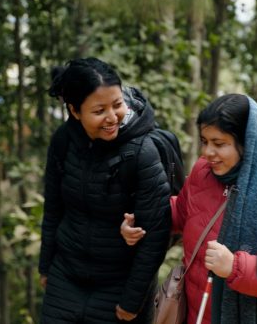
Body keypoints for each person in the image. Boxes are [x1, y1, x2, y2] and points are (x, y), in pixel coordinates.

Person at [122, 94, 257, 323]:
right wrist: (139, 219)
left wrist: (235, 267)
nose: (207, 152)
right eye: (204, 141)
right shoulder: (203, 171)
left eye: (219, 144)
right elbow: (179, 213)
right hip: (195, 313)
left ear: (248, 142)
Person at [38, 57, 171, 323]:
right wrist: (46, 266)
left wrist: (133, 300)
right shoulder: (64, 141)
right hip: (66, 275)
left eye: (117, 104)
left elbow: (156, 235)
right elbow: (53, 207)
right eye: (99, 111)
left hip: (119, 284)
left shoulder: (142, 153)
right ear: (75, 111)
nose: (112, 118)